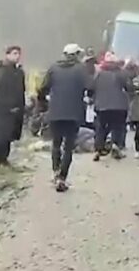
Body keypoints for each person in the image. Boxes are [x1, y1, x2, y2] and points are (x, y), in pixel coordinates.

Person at [37, 43, 93, 192]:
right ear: (75, 55)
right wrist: (87, 97)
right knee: (68, 146)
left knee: (56, 143)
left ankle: (55, 172)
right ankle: (62, 177)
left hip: (55, 112)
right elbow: (90, 87)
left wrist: (43, 103)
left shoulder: (53, 68)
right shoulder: (81, 69)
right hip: (73, 113)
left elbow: (42, 88)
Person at [93, 52, 133, 161]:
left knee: (101, 127)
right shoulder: (121, 73)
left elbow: (92, 87)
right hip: (119, 105)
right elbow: (129, 87)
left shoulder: (99, 73)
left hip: (101, 105)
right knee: (118, 127)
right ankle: (116, 146)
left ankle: (98, 149)